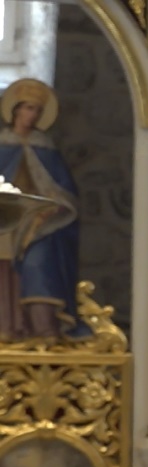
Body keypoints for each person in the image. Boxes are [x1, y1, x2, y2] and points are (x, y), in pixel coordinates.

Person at [0, 78, 87, 341]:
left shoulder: (46, 150)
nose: (32, 115)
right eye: (28, 108)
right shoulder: (2, 146)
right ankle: (7, 326)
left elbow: (64, 191)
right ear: (15, 109)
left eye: (37, 110)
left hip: (37, 222)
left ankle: (42, 328)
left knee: (40, 263)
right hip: (5, 218)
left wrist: (54, 206)